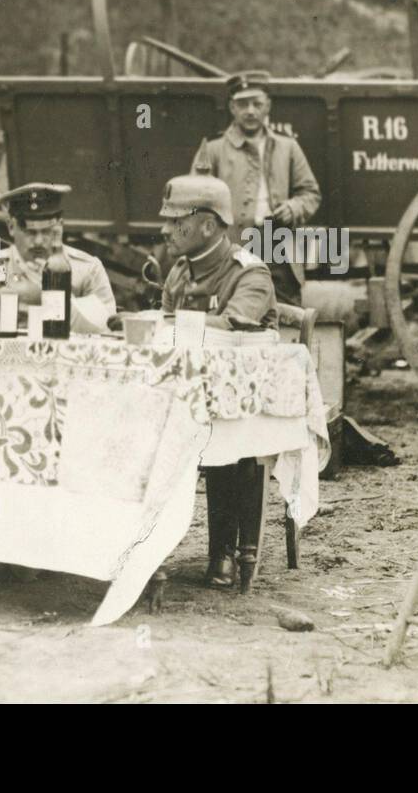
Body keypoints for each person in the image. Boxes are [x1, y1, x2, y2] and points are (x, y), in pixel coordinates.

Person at [158, 174, 277, 587]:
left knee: (228, 435)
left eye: (176, 223)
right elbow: (167, 336)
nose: (165, 230)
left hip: (244, 406)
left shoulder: (250, 273)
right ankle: (146, 547)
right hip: (186, 393)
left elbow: (233, 325)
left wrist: (169, 323)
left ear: (207, 225)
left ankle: (224, 551)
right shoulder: (178, 273)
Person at [190, 70, 321, 306]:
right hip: (231, 248)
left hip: (278, 243)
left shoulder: (288, 147)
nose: (250, 110)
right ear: (232, 108)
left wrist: (293, 208)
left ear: (267, 106)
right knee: (232, 315)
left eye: (256, 103)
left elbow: (310, 193)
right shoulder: (213, 150)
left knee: (285, 314)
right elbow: (194, 203)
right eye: (242, 104)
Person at [0, 183, 116, 332]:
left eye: (47, 231)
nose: (39, 241)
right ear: (10, 227)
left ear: (60, 227)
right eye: (30, 232)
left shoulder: (86, 268)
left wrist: (51, 297)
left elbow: (109, 323)